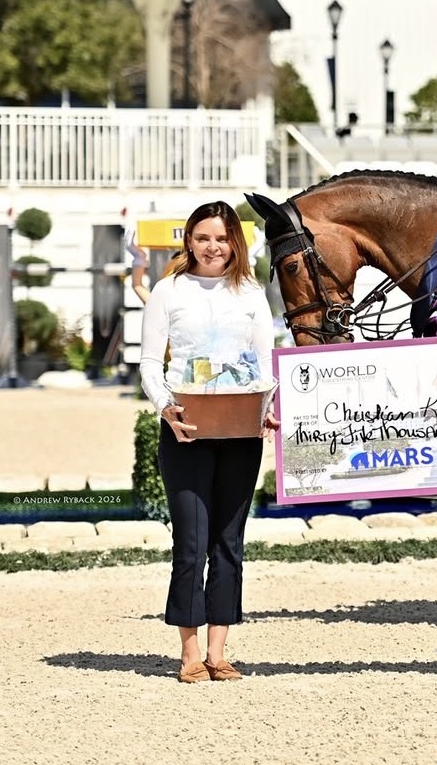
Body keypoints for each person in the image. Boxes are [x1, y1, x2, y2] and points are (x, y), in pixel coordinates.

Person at [139, 200, 280, 684]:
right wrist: (165, 407)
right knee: (191, 542)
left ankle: (219, 653)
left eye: (221, 238)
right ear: (190, 242)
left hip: (241, 432)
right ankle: (189, 653)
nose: (213, 247)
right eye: (203, 238)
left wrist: (270, 408)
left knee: (228, 542)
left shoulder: (251, 293)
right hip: (187, 430)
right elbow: (149, 364)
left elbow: (266, 362)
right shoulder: (167, 291)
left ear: (234, 243)